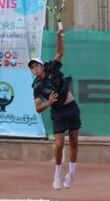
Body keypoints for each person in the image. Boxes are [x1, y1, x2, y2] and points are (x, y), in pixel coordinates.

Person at [28, 29, 81, 190]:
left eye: (36, 66)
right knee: (59, 144)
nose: (35, 69)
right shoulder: (37, 87)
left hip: (72, 108)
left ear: (42, 65)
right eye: (32, 68)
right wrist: (49, 103)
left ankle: (71, 173)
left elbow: (60, 51)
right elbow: (38, 108)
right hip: (57, 112)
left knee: (74, 141)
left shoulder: (52, 68)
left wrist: (59, 35)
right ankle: (57, 174)